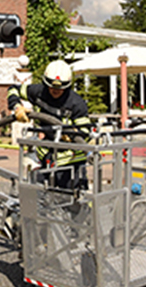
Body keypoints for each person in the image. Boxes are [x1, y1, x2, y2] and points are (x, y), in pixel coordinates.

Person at [7, 60, 91, 190]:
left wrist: (71, 135)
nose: (55, 91)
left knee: (71, 198)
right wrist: (17, 106)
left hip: (71, 161)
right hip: (47, 156)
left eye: (60, 88)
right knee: (38, 194)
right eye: (51, 87)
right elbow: (14, 89)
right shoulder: (39, 92)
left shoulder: (76, 103)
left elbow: (85, 133)